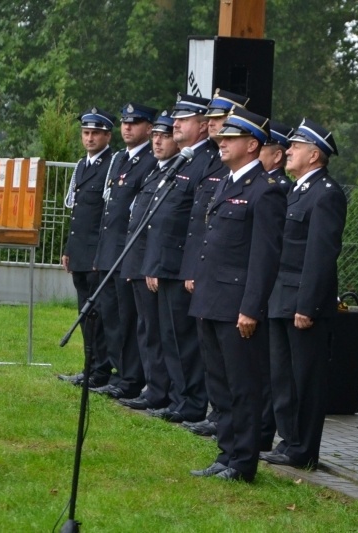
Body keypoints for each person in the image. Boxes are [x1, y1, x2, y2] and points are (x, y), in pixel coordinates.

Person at [188, 107, 286, 482]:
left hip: (237, 307)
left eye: (230, 139)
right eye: (222, 138)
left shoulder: (266, 191)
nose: (222, 143)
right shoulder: (226, 182)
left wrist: (251, 308)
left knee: (243, 386)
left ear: (251, 144)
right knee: (220, 385)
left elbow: (264, 258)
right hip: (211, 300)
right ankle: (226, 453)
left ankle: (243, 462)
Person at [261, 118, 346, 470]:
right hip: (281, 296)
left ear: (314, 155)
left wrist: (307, 304)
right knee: (282, 375)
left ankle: (304, 448)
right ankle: (289, 440)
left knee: (305, 378)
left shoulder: (326, 193)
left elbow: (320, 254)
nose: (288, 151)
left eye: (295, 147)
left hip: (302, 301)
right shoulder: (296, 190)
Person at [143, 93, 221, 424]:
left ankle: (190, 402)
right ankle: (179, 398)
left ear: (203, 126)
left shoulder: (208, 161)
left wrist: (189, 267)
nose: (176, 124)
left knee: (183, 340)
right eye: (176, 118)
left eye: (184, 119)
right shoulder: (186, 159)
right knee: (170, 337)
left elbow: (196, 222)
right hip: (168, 262)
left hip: (182, 263)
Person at [181, 89, 247, 437]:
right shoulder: (208, 162)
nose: (215, 130)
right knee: (214, 363)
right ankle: (221, 426)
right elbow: (201, 225)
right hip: (209, 277)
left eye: (222, 125)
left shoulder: (258, 185)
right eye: (212, 123)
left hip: (232, 287)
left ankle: (236, 436)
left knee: (237, 373)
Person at [90, 103, 158, 400]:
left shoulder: (150, 160)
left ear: (148, 127)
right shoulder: (121, 159)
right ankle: (120, 372)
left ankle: (131, 377)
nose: (127, 127)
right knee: (111, 317)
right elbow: (110, 208)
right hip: (110, 250)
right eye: (125, 123)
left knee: (129, 320)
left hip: (128, 253)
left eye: (135, 123)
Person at [118, 111, 180, 412]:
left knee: (157, 331)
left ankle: (160, 391)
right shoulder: (156, 171)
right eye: (155, 135)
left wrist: (149, 265)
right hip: (140, 261)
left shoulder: (174, 172)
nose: (157, 141)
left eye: (164, 136)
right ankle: (153, 387)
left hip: (153, 265)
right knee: (145, 328)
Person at [57, 108, 116, 388]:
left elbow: (106, 216)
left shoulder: (111, 165)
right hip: (79, 251)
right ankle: (89, 367)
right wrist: (68, 249)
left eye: (95, 133)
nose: (89, 138)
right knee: (84, 315)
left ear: (107, 135)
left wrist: (99, 254)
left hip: (95, 254)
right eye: (86, 133)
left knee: (97, 315)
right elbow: (77, 215)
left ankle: (101, 370)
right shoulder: (82, 165)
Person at [259, 121, 294, 194]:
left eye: (259, 149)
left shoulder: (278, 187)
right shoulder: (260, 179)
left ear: (277, 156)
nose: (253, 152)